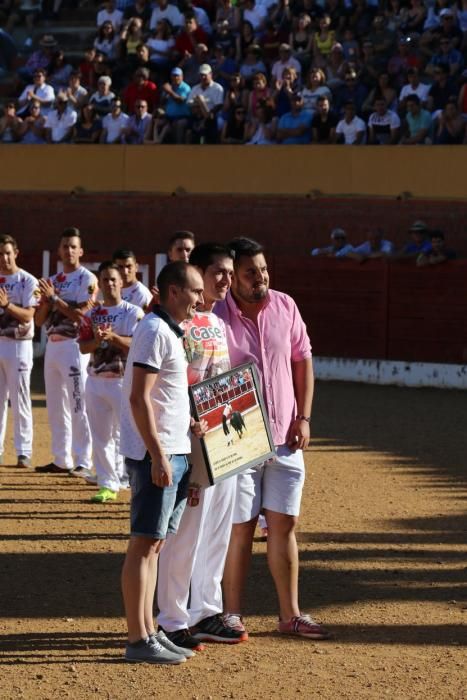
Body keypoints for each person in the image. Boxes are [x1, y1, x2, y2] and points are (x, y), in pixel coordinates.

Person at [216, 237, 330, 640]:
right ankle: (230, 613)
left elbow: (303, 361)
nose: (260, 278)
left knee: (284, 524)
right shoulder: (215, 316)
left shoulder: (285, 305)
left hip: (285, 435)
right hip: (238, 441)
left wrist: (304, 417)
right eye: (251, 272)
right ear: (233, 277)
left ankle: (290, 614)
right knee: (240, 526)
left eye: (263, 269)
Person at [157, 243, 246, 649]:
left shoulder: (216, 320)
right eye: (219, 273)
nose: (226, 280)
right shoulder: (177, 322)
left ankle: (206, 610)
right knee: (186, 528)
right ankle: (172, 616)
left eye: (230, 273)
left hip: (224, 436)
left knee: (217, 527)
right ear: (197, 273)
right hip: (192, 436)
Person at [120, 261, 205, 664]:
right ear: (173, 291)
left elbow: (161, 397)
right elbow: (139, 397)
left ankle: (149, 631)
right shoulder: (154, 331)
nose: (200, 300)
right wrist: (157, 454)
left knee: (154, 544)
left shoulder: (168, 331)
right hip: (157, 453)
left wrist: (184, 422)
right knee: (144, 544)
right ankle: (138, 639)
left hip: (171, 448)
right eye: (194, 292)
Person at [35, 228, 97, 475]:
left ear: (80, 251)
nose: (69, 251)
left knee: (78, 402)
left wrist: (55, 301)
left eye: (73, 246)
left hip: (74, 346)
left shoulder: (87, 279)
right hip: (53, 345)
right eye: (65, 247)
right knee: (56, 404)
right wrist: (47, 301)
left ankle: (84, 459)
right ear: (59, 251)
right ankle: (61, 458)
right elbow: (39, 320)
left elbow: (83, 315)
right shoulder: (51, 281)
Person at [79, 262, 143, 503]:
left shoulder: (132, 312)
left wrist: (113, 337)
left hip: (123, 380)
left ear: (121, 282)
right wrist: (96, 341)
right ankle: (107, 484)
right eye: (104, 280)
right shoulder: (91, 314)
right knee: (101, 435)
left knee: (129, 433)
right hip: (95, 380)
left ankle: (131, 478)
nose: (109, 284)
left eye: (113, 279)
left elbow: (139, 344)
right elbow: (83, 347)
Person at [0, 234, 39, 468]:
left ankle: (24, 451)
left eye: (7, 253)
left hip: (19, 345)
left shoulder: (28, 281)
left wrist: (6, 305)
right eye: (0, 254)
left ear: (16, 253)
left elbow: (28, 315)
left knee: (20, 397)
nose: (4, 258)